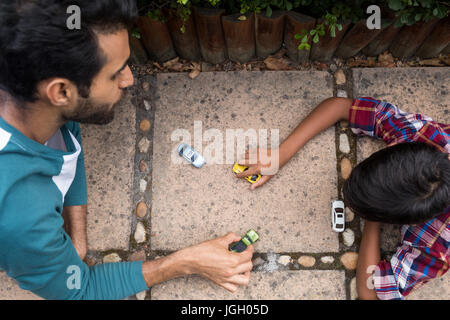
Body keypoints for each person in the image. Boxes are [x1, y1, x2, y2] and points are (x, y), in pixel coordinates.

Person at [0, 0, 253, 300]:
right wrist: (187, 262)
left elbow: (70, 134)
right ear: (61, 92)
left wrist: (77, 240)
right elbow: (79, 289)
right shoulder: (20, 215)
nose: (129, 79)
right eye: (115, 73)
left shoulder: (32, 100)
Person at [237, 96, 449, 300]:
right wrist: (283, 152)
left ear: (410, 222)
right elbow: (339, 107)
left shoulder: (438, 248)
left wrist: (373, 218)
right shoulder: (419, 133)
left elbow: (370, 291)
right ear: (395, 147)